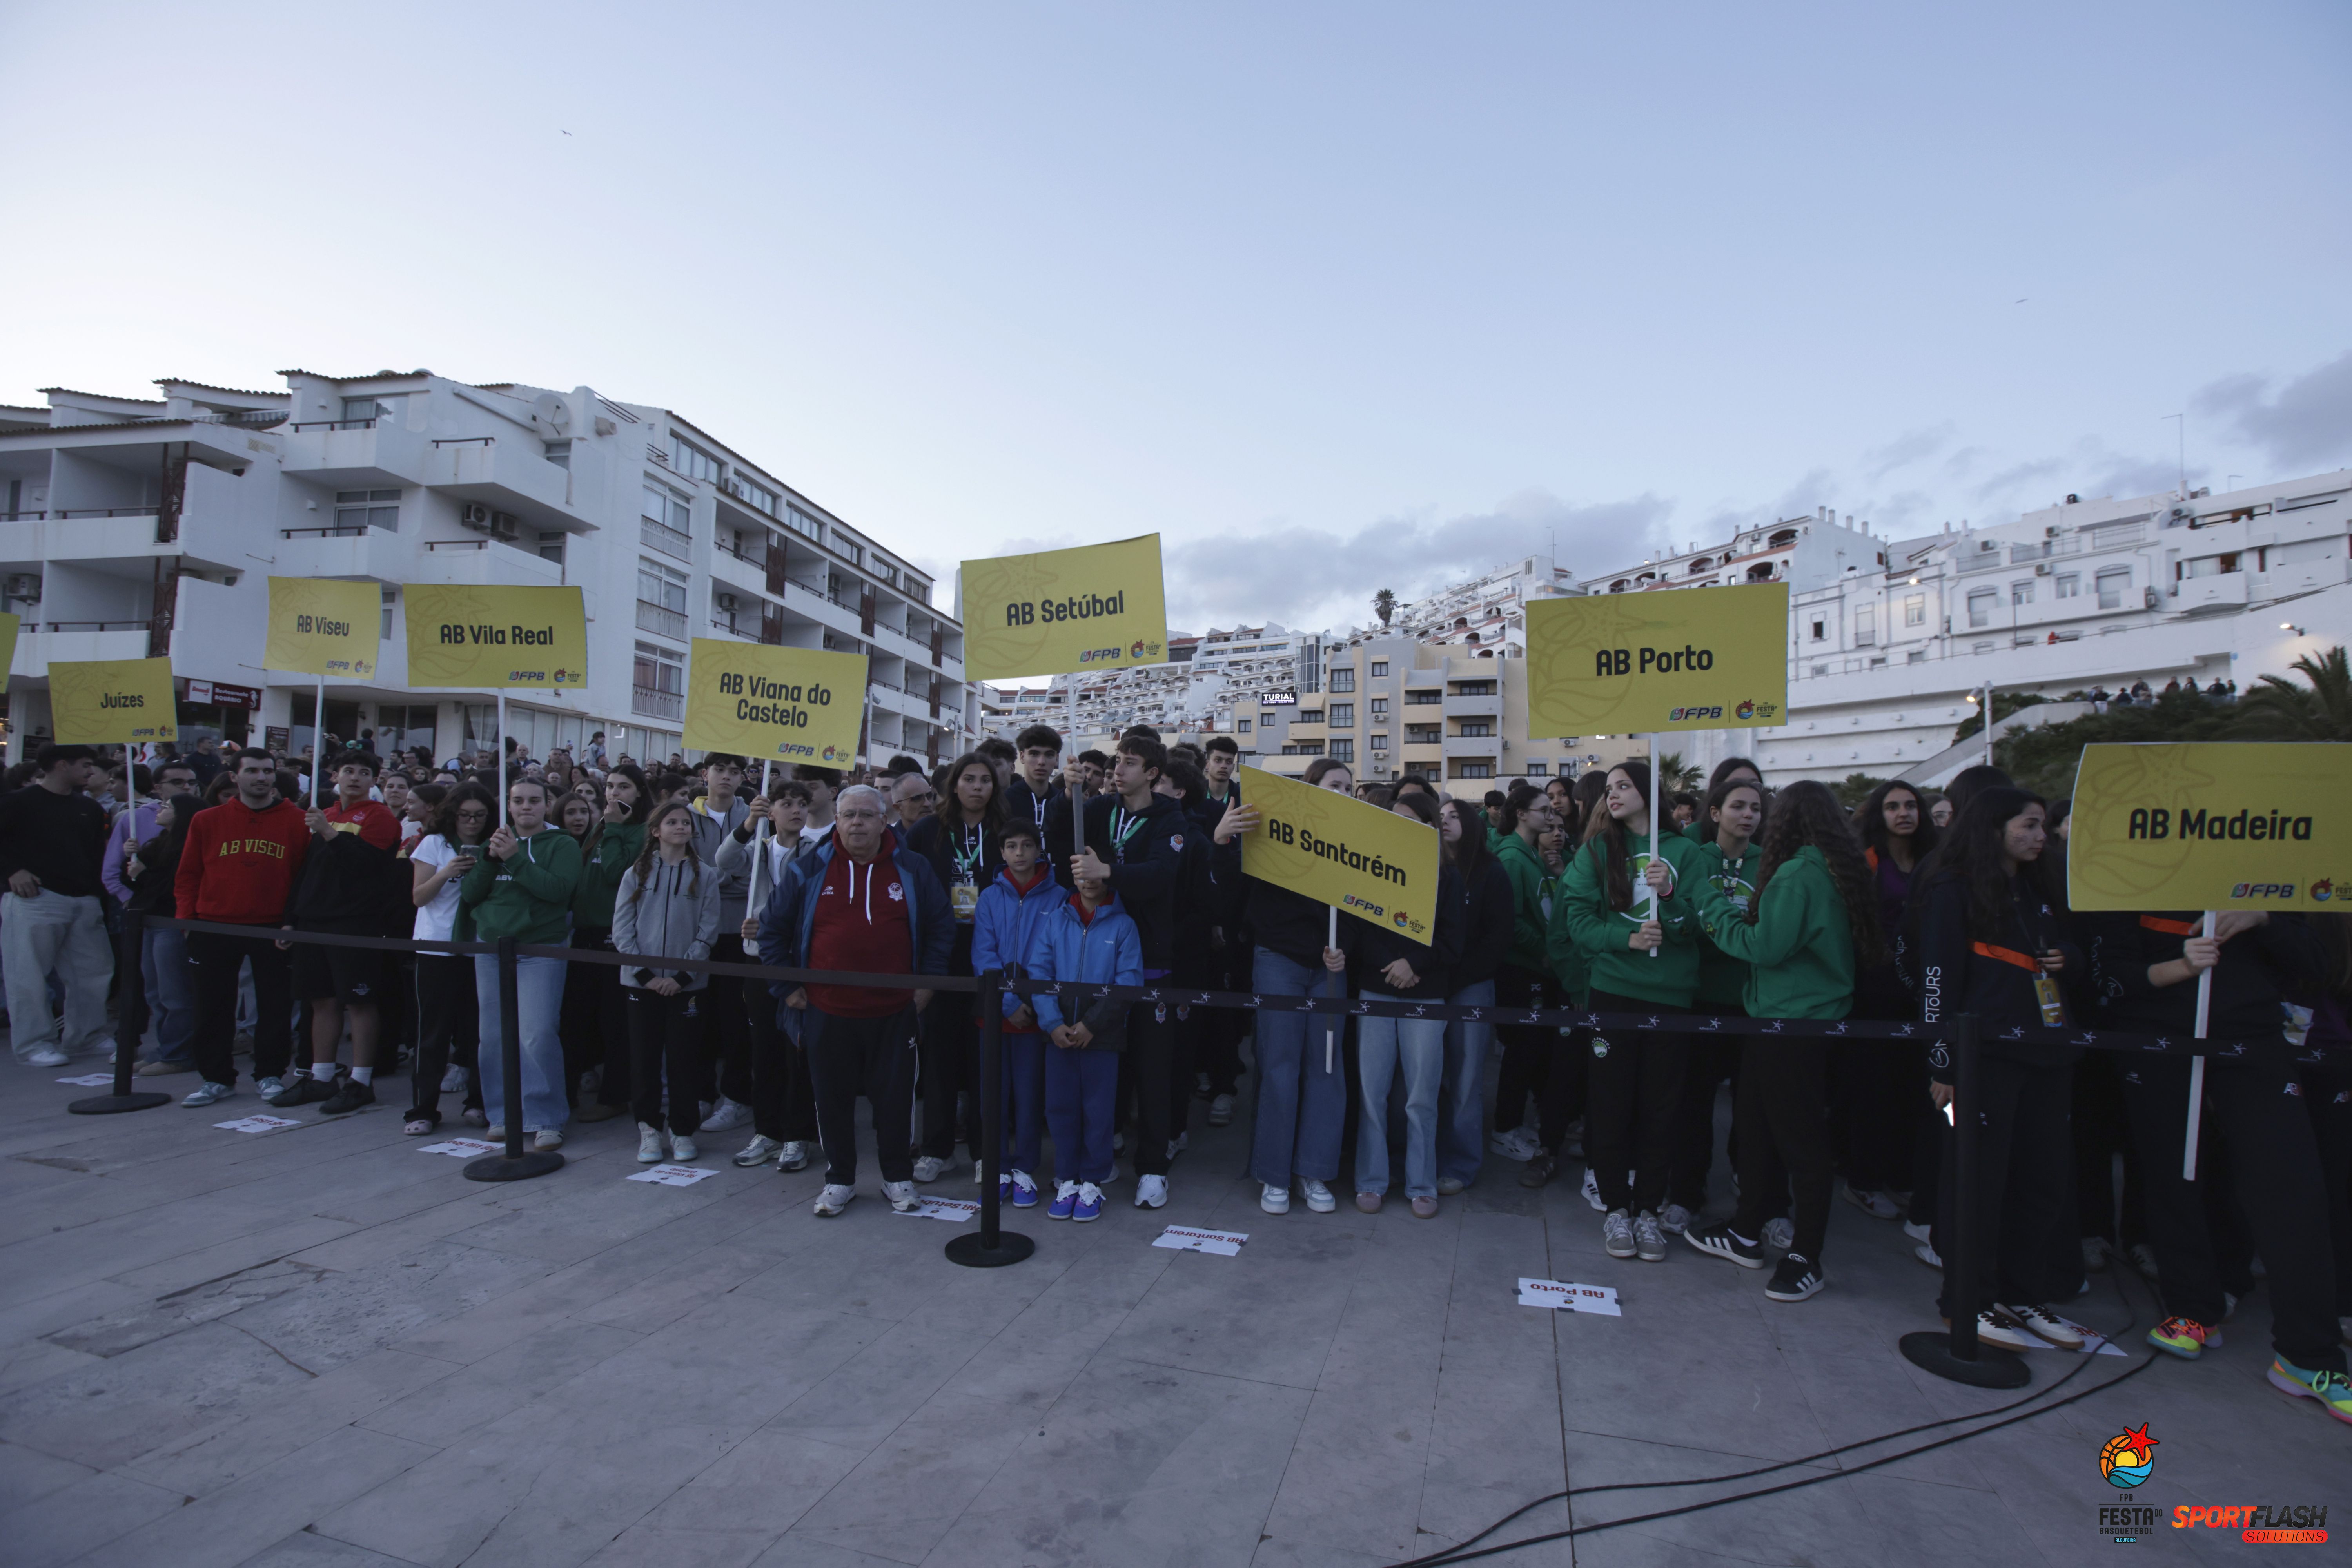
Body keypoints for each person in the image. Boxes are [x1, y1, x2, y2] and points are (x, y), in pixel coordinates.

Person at [2088, 907, 2350, 1419]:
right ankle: (2191, 1311)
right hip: (2160, 1039)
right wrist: (2179, 966)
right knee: (2173, 1178)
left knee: (2293, 1190)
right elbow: (2109, 976)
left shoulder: (2260, 873)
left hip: (2253, 1042)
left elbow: (2317, 963)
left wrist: (2264, 920)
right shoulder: (2135, 874)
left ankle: (2309, 1355)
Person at [1684, 780, 1879, 1303]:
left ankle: (1805, 1257)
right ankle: (1747, 1232)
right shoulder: (1831, 869)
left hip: (1792, 1023)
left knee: (1800, 1144)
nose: (1759, 820)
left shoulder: (1797, 875)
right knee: (1757, 1128)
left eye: (1767, 812)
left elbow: (1761, 947)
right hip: (1788, 1020)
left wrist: (1708, 897)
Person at [1914, 787, 2086, 1352]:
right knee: (1975, 1183)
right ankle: (1967, 1299)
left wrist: (2070, 959)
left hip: (2046, 1053)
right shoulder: (1952, 887)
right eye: (2029, 826)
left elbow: (2075, 954)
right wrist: (1944, 1063)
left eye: (2042, 826)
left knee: (2041, 1179)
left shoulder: (2039, 888)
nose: (2041, 836)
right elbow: (1937, 979)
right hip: (1981, 1059)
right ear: (1993, 828)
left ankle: (2021, 1290)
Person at [757, 783, 951, 1217]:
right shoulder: (808, 869)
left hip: (896, 1010)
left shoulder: (914, 868)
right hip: (827, 1011)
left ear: (885, 820)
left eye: (868, 814)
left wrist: (928, 983)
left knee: (897, 1099)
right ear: (836, 821)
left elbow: (940, 928)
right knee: (831, 1099)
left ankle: (897, 1177)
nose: (858, 823)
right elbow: (771, 931)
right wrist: (787, 988)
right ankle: (840, 1178)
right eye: (850, 815)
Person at [1558, 761, 1705, 1262]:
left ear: (1648, 792)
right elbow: (1577, 921)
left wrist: (1669, 895)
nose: (1612, 795)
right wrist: (1626, 938)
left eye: (1624, 786)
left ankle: (1649, 1212)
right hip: (1613, 994)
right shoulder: (1598, 850)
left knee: (1662, 1107)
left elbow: (1698, 925)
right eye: (1610, 788)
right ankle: (1616, 1208)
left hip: (1671, 998)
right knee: (1611, 1102)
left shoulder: (1686, 852)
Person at [1211, 757, 1354, 1216]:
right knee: (1278, 1067)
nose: (1344, 793)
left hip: (1330, 967)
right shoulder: (1274, 831)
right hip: (1279, 960)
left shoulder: (1357, 838)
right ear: (1311, 790)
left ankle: (1313, 1170)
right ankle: (1274, 1173)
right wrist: (1223, 838)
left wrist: (1343, 947)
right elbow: (1231, 888)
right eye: (1335, 785)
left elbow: (1366, 906)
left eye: (1350, 788)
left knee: (1327, 1069)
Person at [1066, 732, 1189, 1209]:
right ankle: (1104, 1149)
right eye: (1117, 761)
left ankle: (1154, 1167)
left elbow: (1160, 875)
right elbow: (1062, 835)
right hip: (1100, 957)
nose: (1118, 770)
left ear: (1153, 773)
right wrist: (1069, 790)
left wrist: (1107, 872)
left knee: (1153, 1070)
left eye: (1130, 763)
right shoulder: (1102, 810)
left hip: (1153, 962)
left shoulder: (1170, 818)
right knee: (1102, 1065)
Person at [1658, 774, 1766, 1231]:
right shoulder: (1694, 858)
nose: (1748, 816)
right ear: (1716, 813)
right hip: (1699, 998)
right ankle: (1685, 1193)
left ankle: (1757, 1193)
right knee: (1693, 1105)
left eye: (1756, 809)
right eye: (1739, 806)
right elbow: (1679, 918)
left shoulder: (1771, 863)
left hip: (1752, 1002)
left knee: (1754, 1109)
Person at [174, 748, 309, 1106]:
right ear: (234, 776)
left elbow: (303, 878)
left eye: (268, 771)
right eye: (252, 771)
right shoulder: (207, 820)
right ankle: (216, 1078)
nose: (261, 778)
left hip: (272, 928)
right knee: (212, 1007)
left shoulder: (297, 821)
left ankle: (269, 1074)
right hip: (214, 925)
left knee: (275, 1007)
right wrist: (188, 920)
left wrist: (292, 923)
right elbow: (189, 873)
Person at [1351, 791, 1464, 1217]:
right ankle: (1371, 1179)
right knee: (1372, 1092)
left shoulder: (1447, 877)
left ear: (1429, 826)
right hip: (1376, 989)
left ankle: (1422, 1183)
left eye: (1409, 819)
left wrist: (1413, 963)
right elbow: (1359, 926)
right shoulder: (1369, 867)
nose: (1398, 825)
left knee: (1421, 1096)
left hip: (1427, 994)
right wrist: (1390, 965)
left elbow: (1453, 940)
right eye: (1393, 818)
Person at [272, 753, 404, 1113]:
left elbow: (368, 867)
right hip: (314, 921)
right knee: (320, 1001)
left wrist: (329, 834)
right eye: (349, 771)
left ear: (374, 781)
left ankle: (361, 1081)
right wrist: (290, 918)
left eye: (365, 773)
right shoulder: (325, 814)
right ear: (336, 776)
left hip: (355, 922)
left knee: (359, 1002)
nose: (356, 778)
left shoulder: (380, 817)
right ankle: (321, 1077)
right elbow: (307, 872)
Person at [457, 775, 583, 1150]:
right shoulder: (494, 840)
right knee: (493, 1036)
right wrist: (489, 859)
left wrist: (515, 858)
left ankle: (546, 1117)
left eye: (533, 801)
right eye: (517, 801)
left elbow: (558, 892)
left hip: (540, 948)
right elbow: (470, 893)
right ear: (508, 805)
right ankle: (502, 1113)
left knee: (537, 1033)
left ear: (547, 805)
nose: (525, 807)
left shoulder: (562, 844)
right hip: (492, 947)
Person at [906, 752, 1005, 1181]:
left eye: (986, 780)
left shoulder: (1006, 831)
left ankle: (986, 1151)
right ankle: (936, 1148)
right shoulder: (928, 830)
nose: (978, 787)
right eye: (969, 779)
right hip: (941, 955)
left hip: (991, 957)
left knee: (986, 1058)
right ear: (954, 785)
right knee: (941, 1058)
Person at [1027, 856, 1143, 1221]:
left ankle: (1093, 1179)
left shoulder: (1124, 925)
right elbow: (1039, 972)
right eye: (1081, 875)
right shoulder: (1056, 921)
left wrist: (1093, 1025)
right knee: (1060, 1107)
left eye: (1097, 874)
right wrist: (1052, 1023)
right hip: (1059, 1034)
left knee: (1098, 1110)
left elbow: (1129, 982)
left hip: (1102, 1037)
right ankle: (1067, 1177)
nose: (1089, 881)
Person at [615, 800, 723, 1163]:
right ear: (656, 831)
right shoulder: (636, 873)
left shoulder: (705, 874)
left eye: (686, 823)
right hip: (640, 985)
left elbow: (708, 931)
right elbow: (623, 929)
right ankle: (648, 1129)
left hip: (686, 987)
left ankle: (682, 1131)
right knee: (644, 1059)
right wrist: (646, 976)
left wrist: (680, 976)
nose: (680, 828)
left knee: (683, 1060)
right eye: (672, 822)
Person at [970, 818, 1068, 1209]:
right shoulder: (991, 897)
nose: (1020, 853)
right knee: (994, 1095)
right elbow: (983, 953)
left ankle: (1026, 1168)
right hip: (995, 1015)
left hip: (1036, 1015)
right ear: (1002, 852)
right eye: (1012, 846)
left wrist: (1035, 1006)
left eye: (1028, 845)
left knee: (1029, 1097)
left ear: (1039, 850)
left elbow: (1054, 954)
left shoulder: (1059, 896)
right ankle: (997, 1167)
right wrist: (1009, 1003)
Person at [0, 743, 114, 1067]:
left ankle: (87, 1035)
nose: (92, 772)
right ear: (62, 765)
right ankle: (34, 1044)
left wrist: (97, 894)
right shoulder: (17, 802)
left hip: (84, 900)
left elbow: (96, 855)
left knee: (93, 973)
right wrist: (11, 871)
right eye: (86, 765)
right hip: (34, 898)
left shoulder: (91, 809)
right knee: (28, 975)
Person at [725, 782, 817, 1172]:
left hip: (799, 962)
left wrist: (763, 922)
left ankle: (798, 1135)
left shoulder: (816, 852)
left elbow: (810, 903)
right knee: (763, 1048)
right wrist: (748, 822)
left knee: (797, 1050)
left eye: (801, 804)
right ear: (771, 811)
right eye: (786, 804)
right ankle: (767, 1131)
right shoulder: (758, 848)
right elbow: (723, 860)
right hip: (759, 961)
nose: (795, 810)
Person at [404, 784, 493, 1134]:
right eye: (465, 815)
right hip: (437, 946)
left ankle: (478, 1102)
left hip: (479, 947)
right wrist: (446, 873)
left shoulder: (493, 846)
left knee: (478, 1032)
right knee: (433, 1032)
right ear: (452, 815)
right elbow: (418, 897)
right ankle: (422, 1109)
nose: (472, 822)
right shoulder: (434, 844)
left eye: (480, 816)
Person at [1435, 796, 1513, 1195]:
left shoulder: (1491, 871)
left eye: (1454, 816)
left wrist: (1456, 977)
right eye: (1440, 815)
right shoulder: (1428, 868)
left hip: (1471, 986)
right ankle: (1424, 1155)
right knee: (1433, 1078)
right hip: (1431, 985)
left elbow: (1496, 940)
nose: (1444, 821)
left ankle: (1461, 1163)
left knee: (1466, 1080)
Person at [105, 757, 200, 1075]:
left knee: (175, 993)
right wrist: (132, 859)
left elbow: (171, 885)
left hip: (170, 922)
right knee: (155, 992)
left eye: (169, 806)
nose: (160, 809)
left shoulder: (186, 846)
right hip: (148, 921)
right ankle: (164, 1047)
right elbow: (127, 876)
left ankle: (178, 1053)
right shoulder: (158, 842)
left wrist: (144, 873)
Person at [569, 764, 649, 1123]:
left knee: (615, 1021)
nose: (615, 794)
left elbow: (618, 874)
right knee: (578, 1018)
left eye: (624, 787)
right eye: (611, 786)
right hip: (583, 933)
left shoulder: (641, 833)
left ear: (639, 793)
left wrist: (615, 827)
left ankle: (616, 1095)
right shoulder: (600, 828)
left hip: (614, 937)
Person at [686, 754, 758, 1133]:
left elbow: (756, 876)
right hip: (697, 931)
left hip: (738, 931)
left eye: (735, 772)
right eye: (720, 770)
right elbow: (683, 868)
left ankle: (736, 1097)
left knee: (735, 1020)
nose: (727, 777)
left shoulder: (756, 815)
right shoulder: (684, 814)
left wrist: (715, 879)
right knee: (699, 1016)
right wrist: (725, 879)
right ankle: (701, 1093)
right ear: (705, 775)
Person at [1489, 786, 1561, 1161]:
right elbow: (1511, 921)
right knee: (1521, 1053)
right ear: (1521, 814)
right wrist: (1543, 951)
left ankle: (1514, 1124)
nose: (1551, 816)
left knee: (1531, 1053)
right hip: (1521, 970)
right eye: (1543, 809)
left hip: (1537, 967)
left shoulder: (1533, 857)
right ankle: (1504, 1128)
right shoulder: (1513, 859)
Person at [1194, 734, 1247, 1127]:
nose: (1224, 765)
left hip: (1235, 919)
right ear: (1206, 762)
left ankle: (1225, 1086)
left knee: (1229, 1007)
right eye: (1218, 759)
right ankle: (1203, 1072)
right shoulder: (1192, 802)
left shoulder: (1245, 800)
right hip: (1196, 916)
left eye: (1230, 760)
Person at [1005, 724, 1065, 840]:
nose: (1041, 762)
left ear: (1057, 759)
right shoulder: (1006, 801)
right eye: (1034, 754)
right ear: (1022, 757)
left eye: (1049, 755)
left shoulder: (1062, 802)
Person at [795, 765, 840, 848]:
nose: (804, 793)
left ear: (832, 793)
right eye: (800, 787)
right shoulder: (792, 831)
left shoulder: (843, 834)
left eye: (812, 788)